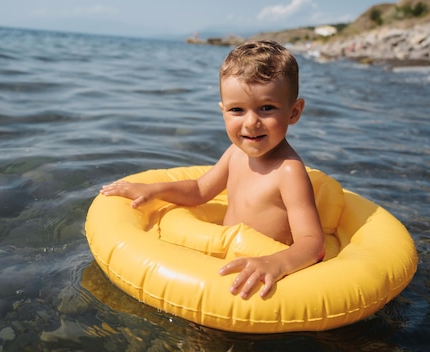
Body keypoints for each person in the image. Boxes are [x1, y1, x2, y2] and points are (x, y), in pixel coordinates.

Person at [100, 40, 325, 300]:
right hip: (222, 265)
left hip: (260, 279)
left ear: (294, 112)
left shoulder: (289, 172)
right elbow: (198, 190)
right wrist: (155, 190)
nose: (251, 122)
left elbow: (312, 242)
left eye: (267, 108)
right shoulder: (235, 154)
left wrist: (275, 263)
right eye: (237, 110)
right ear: (223, 111)